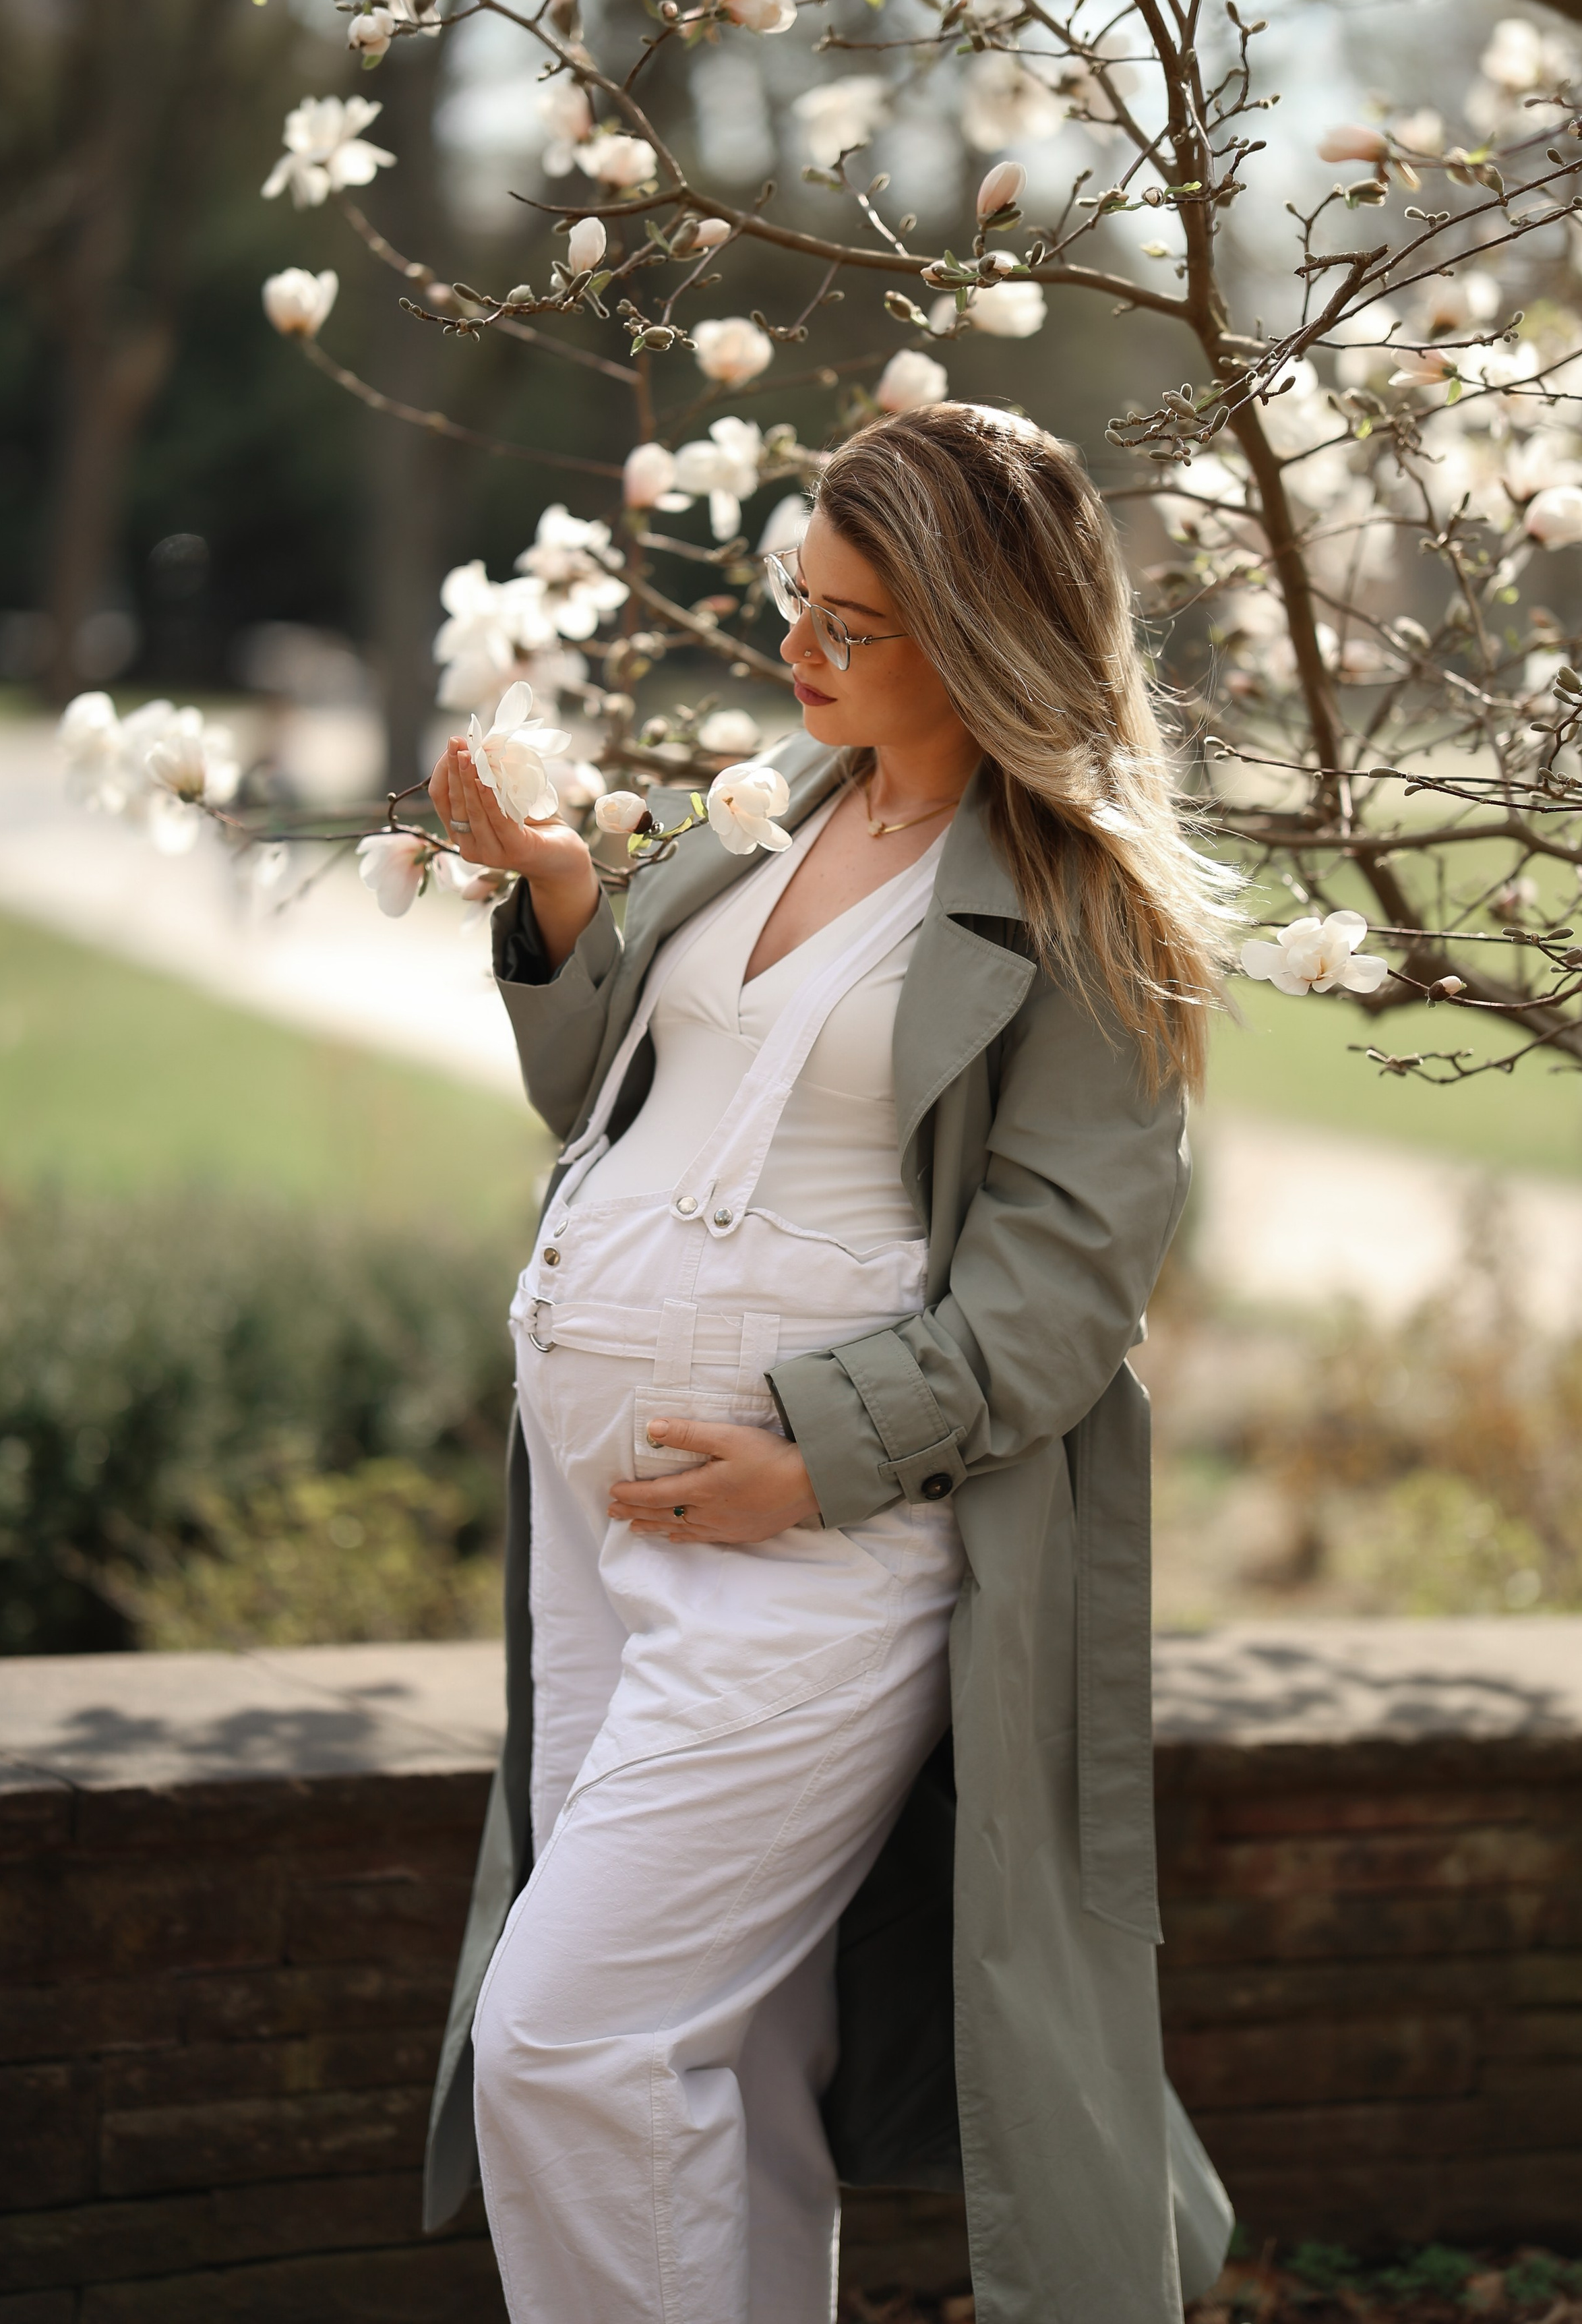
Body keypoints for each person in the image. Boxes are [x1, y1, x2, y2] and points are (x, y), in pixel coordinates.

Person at [422, 401, 1238, 2324]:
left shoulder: (1082, 906)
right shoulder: (779, 797)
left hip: (823, 1547)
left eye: (851, 621)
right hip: (602, 1528)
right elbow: (624, 1094)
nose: (798, 647)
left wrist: (813, 1454)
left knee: (570, 2038)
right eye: (801, 596)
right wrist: (555, 893)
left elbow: (1063, 1295)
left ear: (979, 632)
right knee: (723, 2060)